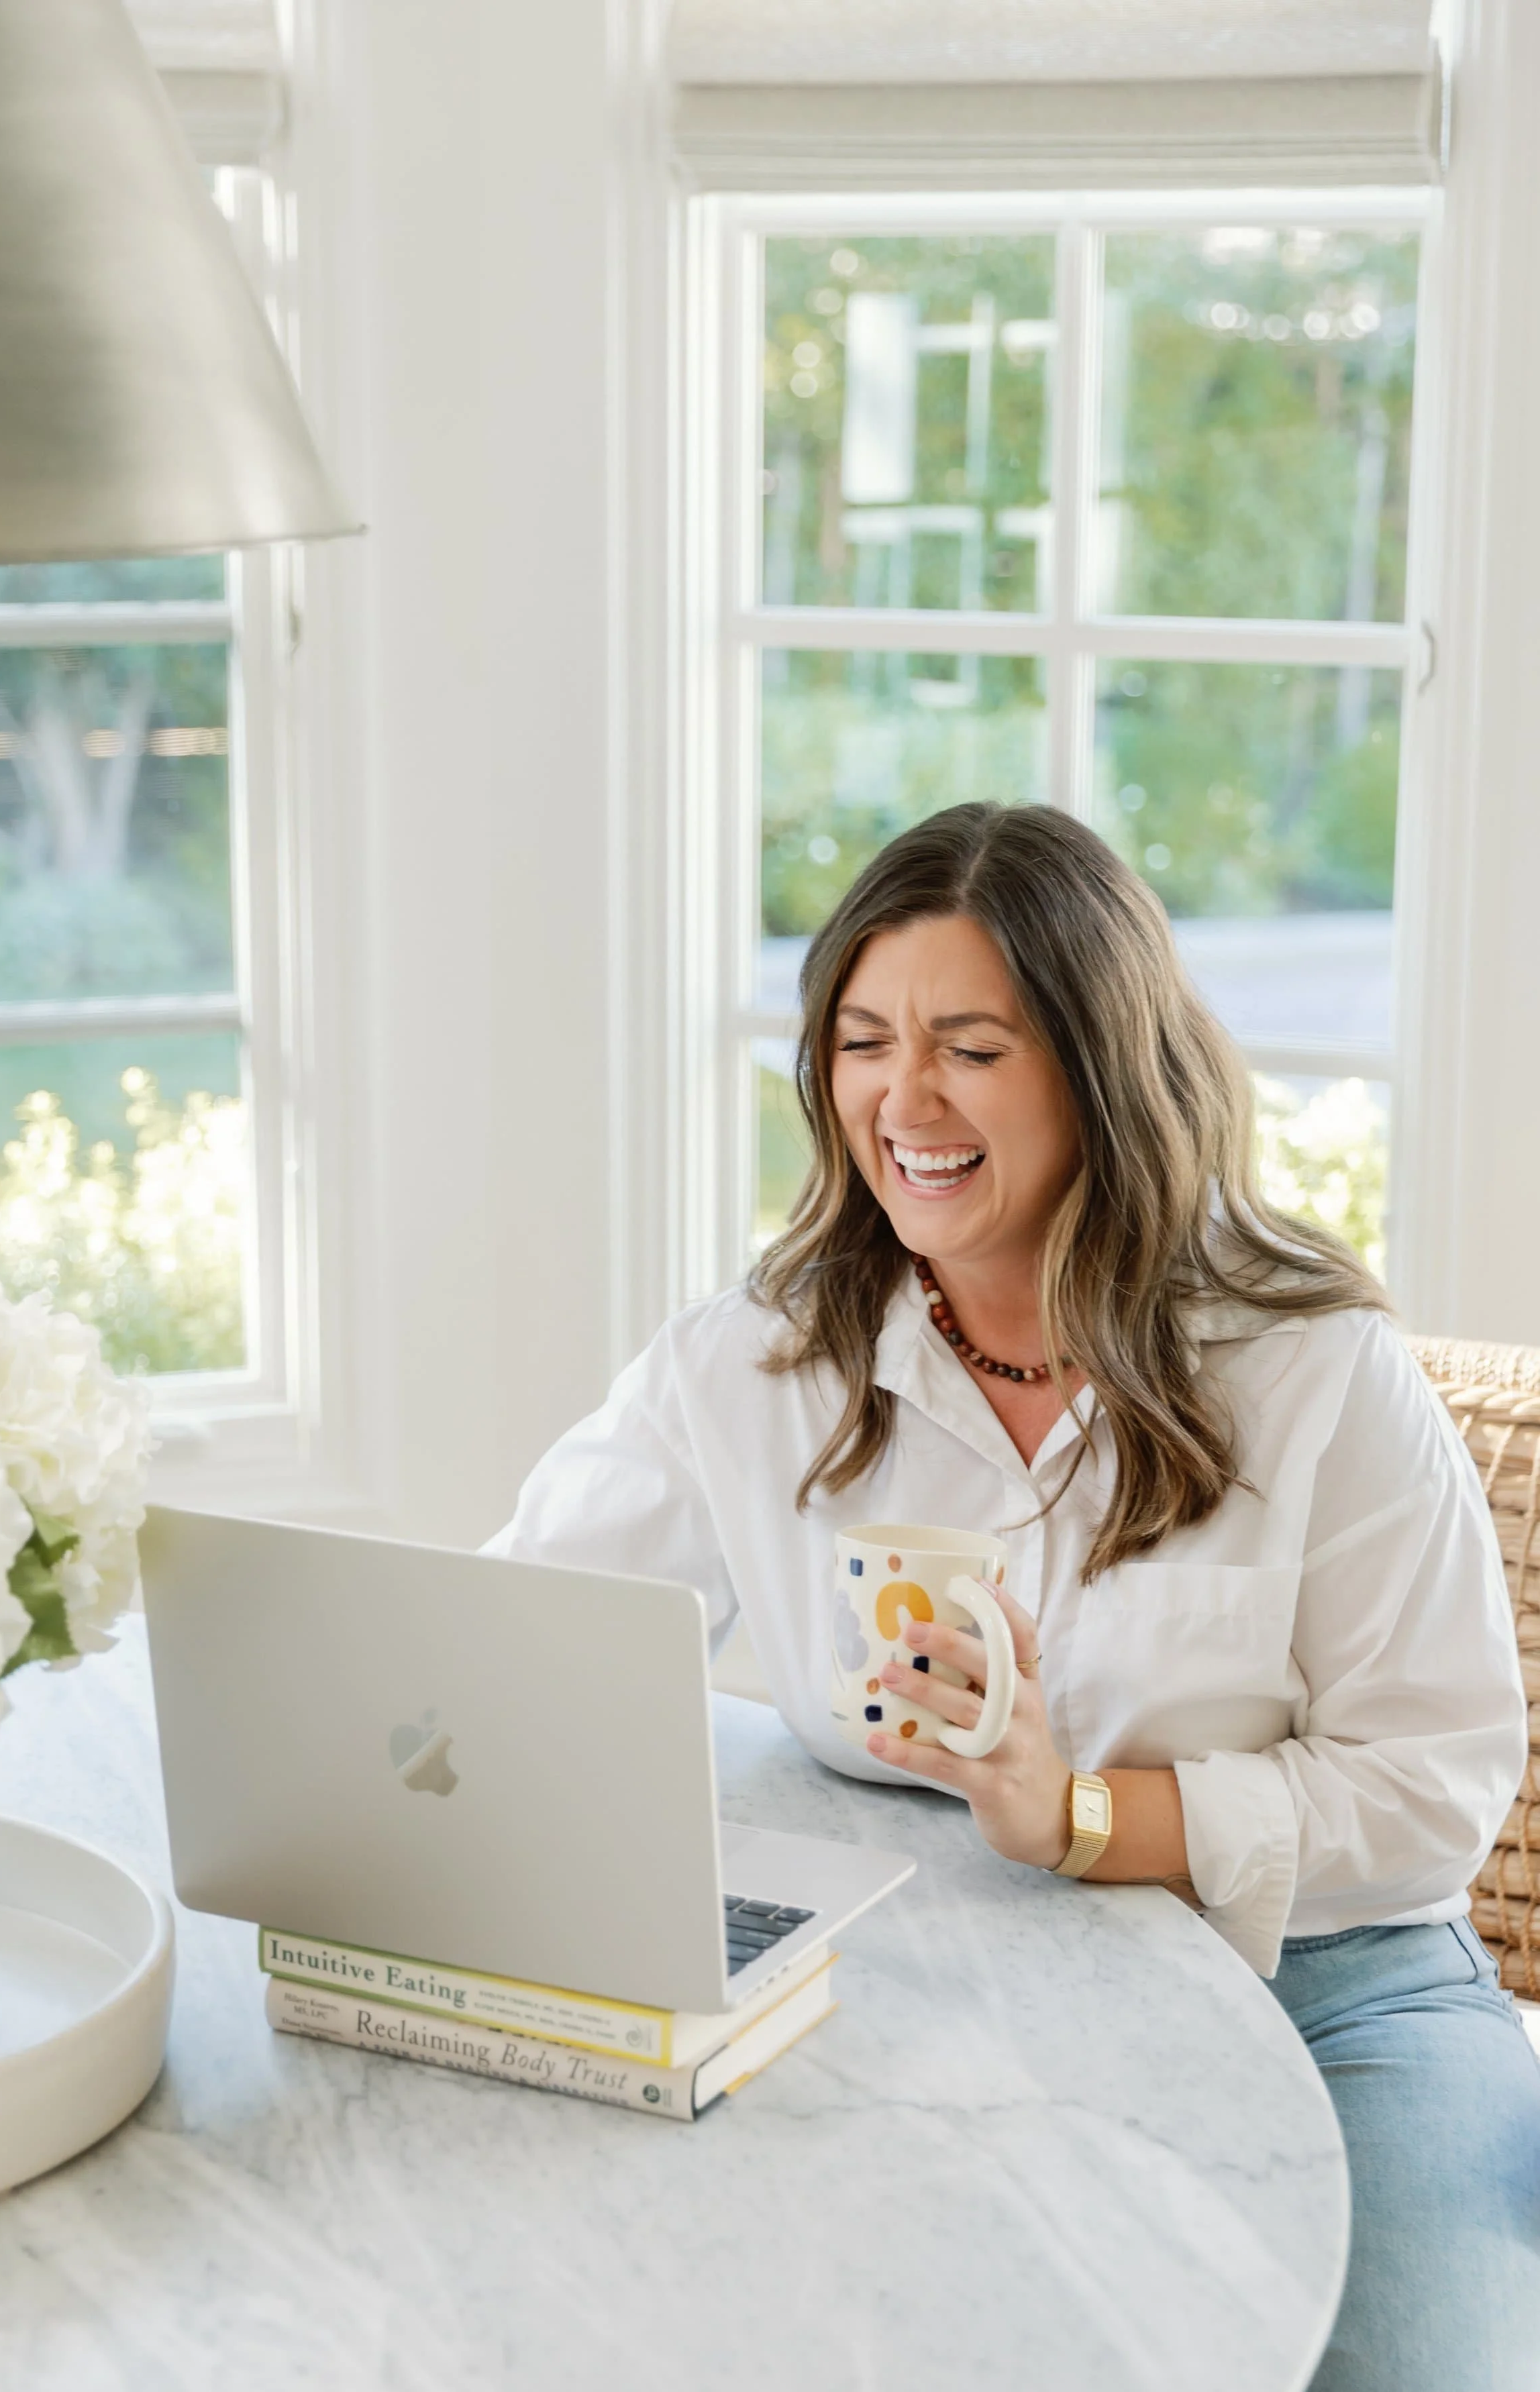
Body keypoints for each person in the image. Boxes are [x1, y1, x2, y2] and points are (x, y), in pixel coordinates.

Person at [486, 801, 1539, 2388]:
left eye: (969, 1047)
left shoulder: (1312, 1369)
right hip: (940, 1978)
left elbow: (1429, 1789)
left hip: (1329, 1994)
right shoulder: (752, 1364)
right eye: (861, 1039)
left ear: (1097, 1069)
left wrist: (1082, 1814)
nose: (902, 1098)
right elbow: (521, 1648)